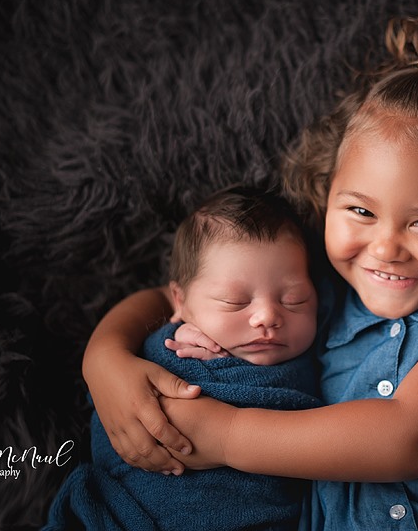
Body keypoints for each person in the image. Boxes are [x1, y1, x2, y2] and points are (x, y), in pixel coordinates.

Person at [82, 9, 418, 530]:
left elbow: (410, 437)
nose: (386, 248)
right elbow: (170, 298)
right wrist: (105, 360)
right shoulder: (311, 295)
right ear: (326, 197)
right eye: (362, 212)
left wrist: (227, 434)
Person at [44, 186, 322, 531]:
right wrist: (121, 355)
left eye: (294, 300)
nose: (267, 316)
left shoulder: (322, 353)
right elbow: (115, 416)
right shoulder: (166, 349)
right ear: (180, 301)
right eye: (235, 302)